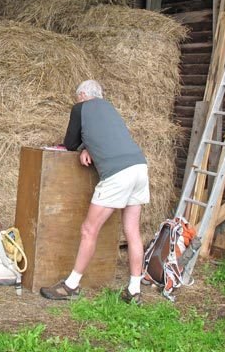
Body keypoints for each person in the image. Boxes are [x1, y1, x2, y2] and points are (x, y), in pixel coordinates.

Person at [39, 80, 150, 303]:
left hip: (118, 174)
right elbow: (107, 138)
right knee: (132, 231)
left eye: (77, 97)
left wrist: (80, 147)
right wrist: (87, 146)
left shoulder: (81, 108)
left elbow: (69, 143)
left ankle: (71, 286)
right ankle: (134, 290)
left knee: (89, 230)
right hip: (139, 168)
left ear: (82, 95)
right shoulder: (110, 109)